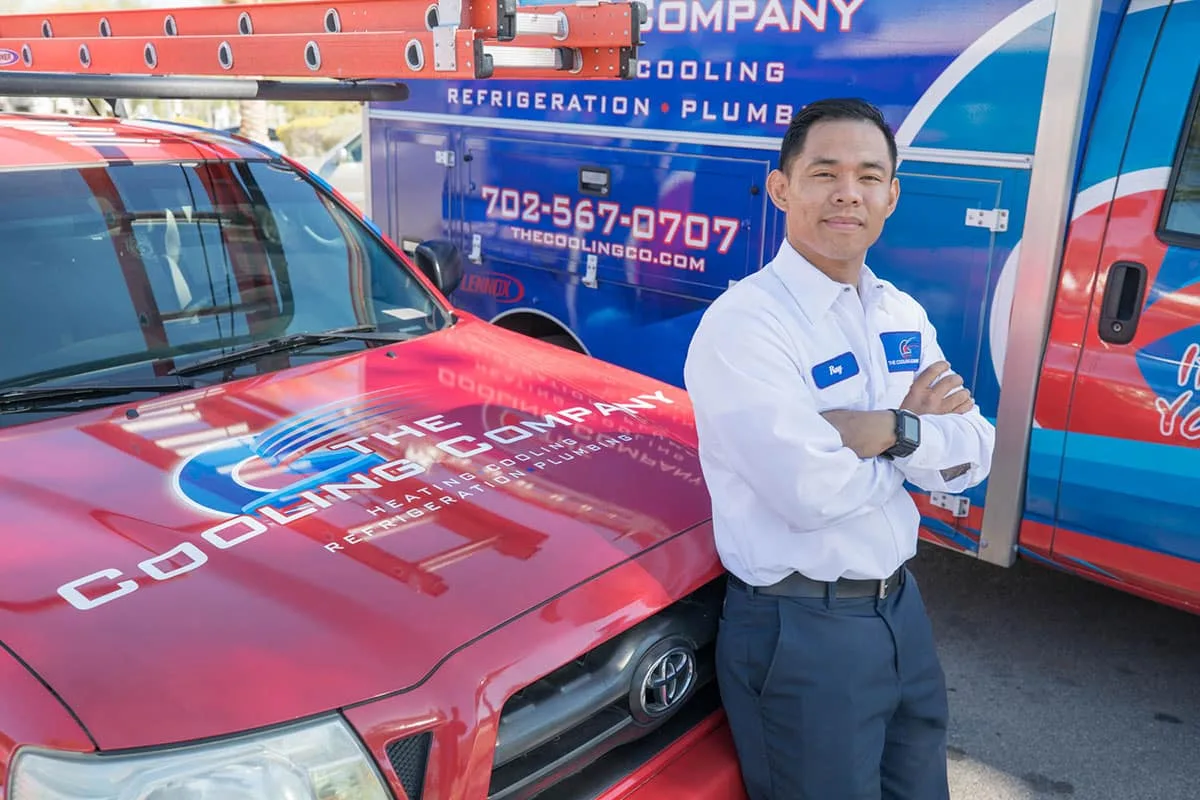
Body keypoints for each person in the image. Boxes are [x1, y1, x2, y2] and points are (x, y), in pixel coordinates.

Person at [682, 97, 996, 799]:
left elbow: (975, 451)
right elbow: (810, 495)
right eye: (825, 173)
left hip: (900, 614)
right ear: (782, 188)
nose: (848, 192)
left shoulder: (900, 313)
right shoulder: (746, 327)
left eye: (869, 175)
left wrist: (885, 429)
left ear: (892, 194)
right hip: (801, 633)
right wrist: (913, 439)